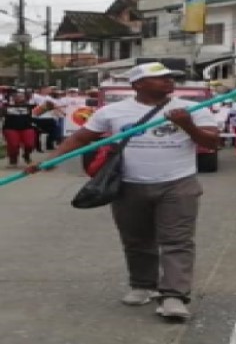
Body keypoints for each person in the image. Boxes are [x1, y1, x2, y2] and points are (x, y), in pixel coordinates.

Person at [25, 62, 219, 321]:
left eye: (170, 77)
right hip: (128, 184)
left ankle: (174, 295)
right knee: (137, 239)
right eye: (160, 78)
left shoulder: (191, 109)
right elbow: (81, 138)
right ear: (138, 84)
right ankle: (143, 285)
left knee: (177, 241)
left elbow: (213, 142)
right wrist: (51, 159)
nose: (169, 81)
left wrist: (188, 125)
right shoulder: (113, 111)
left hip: (178, 183)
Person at [1, 92, 37, 168]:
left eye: (21, 96)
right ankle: (13, 159)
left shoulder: (29, 106)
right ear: (13, 98)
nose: (19, 98)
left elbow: (40, 111)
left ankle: (26, 155)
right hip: (10, 128)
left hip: (27, 127)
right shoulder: (6, 106)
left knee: (29, 144)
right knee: (14, 145)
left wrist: (48, 106)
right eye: (17, 96)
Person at [30, 86, 60, 152]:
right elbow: (30, 105)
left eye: (49, 89)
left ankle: (49, 144)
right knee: (37, 133)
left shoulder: (50, 98)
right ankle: (38, 147)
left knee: (55, 131)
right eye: (47, 89)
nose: (49, 90)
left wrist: (56, 113)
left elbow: (55, 106)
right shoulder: (34, 96)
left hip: (49, 117)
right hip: (37, 117)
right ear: (42, 89)